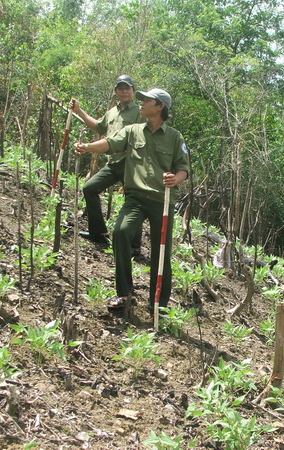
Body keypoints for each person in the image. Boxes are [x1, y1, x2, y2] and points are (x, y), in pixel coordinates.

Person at [74, 88, 190, 312]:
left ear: (160, 107)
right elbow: (109, 143)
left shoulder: (175, 137)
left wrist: (175, 179)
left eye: (147, 100)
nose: (142, 103)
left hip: (162, 201)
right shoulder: (133, 131)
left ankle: (159, 304)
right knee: (120, 232)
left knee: (161, 252)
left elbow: (183, 168)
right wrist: (88, 147)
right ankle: (124, 293)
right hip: (135, 197)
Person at [70, 74, 145, 248]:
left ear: (133, 91)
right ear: (115, 91)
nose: (124, 91)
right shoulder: (112, 112)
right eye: (120, 88)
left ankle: (134, 245)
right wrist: (78, 111)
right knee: (89, 188)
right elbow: (98, 126)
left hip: (131, 163)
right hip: (113, 163)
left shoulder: (139, 112)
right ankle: (98, 233)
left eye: (127, 88)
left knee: (133, 200)